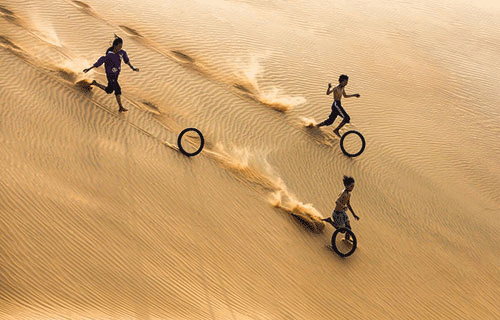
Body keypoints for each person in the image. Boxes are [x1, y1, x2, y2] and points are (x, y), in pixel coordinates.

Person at [83, 36, 139, 112]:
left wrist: (133, 68)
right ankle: (120, 107)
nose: (120, 48)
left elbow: (126, 61)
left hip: (116, 75)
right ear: (115, 46)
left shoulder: (122, 52)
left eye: (121, 46)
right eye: (119, 46)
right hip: (110, 75)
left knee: (109, 90)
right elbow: (100, 62)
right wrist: (89, 68)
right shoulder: (109, 55)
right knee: (117, 89)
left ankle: (94, 83)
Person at [322, 176, 360, 241]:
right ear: (346, 185)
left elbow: (348, 204)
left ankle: (347, 238)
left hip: (343, 213)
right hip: (337, 213)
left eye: (353, 186)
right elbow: (337, 201)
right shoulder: (344, 193)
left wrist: (354, 214)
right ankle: (330, 221)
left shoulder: (349, 194)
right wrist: (343, 207)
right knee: (342, 231)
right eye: (351, 186)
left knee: (349, 227)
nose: (352, 188)